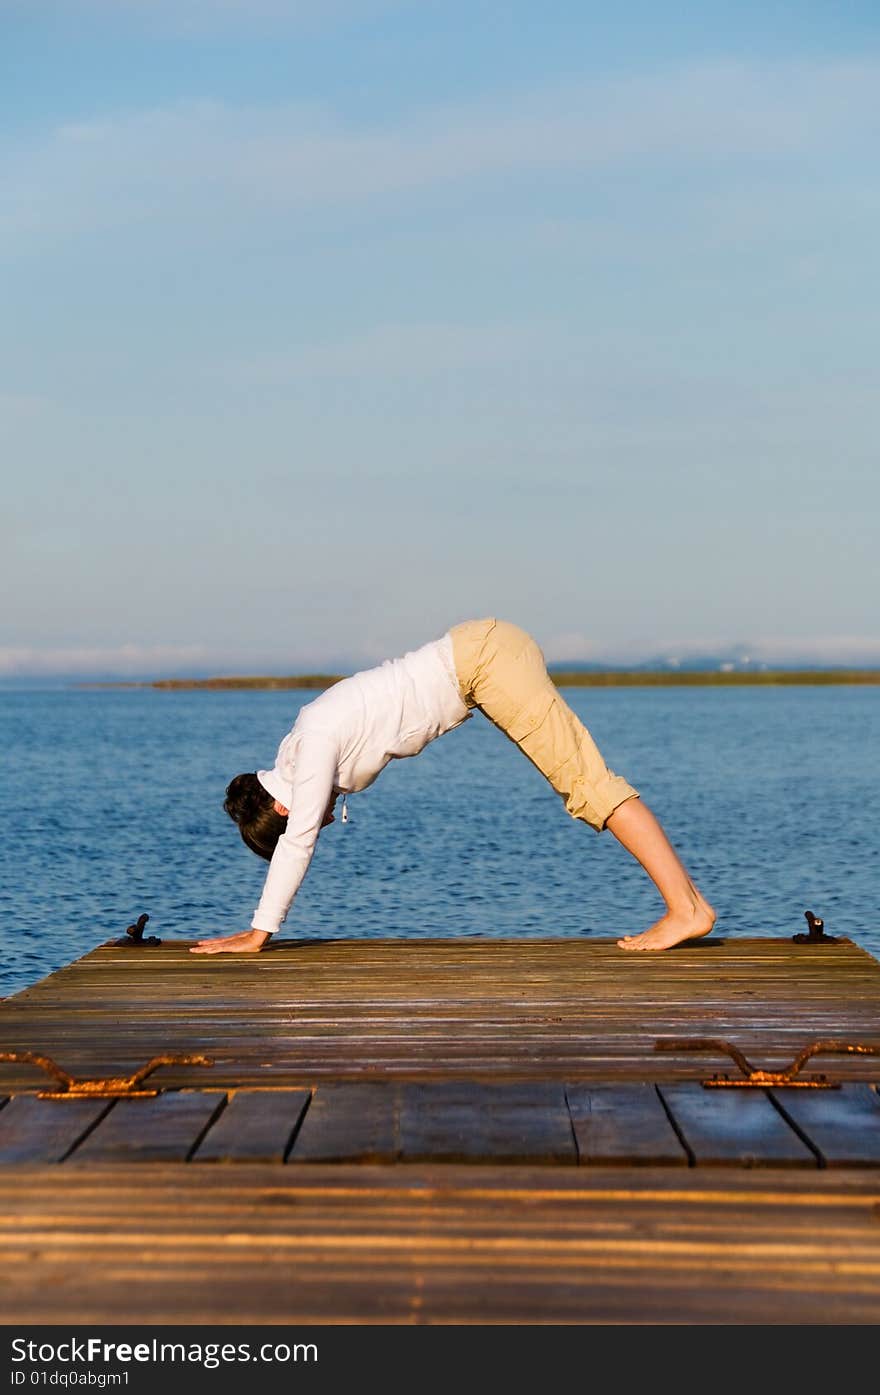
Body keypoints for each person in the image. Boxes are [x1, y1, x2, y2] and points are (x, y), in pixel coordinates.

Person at [191, 618, 715, 956]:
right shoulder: (302, 748)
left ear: (281, 805)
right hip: (482, 661)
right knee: (583, 784)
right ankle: (691, 907)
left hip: (484, 662)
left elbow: (298, 841)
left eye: (301, 820)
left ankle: (684, 910)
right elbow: (300, 829)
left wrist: (260, 931)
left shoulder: (311, 748)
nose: (322, 823)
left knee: (587, 785)